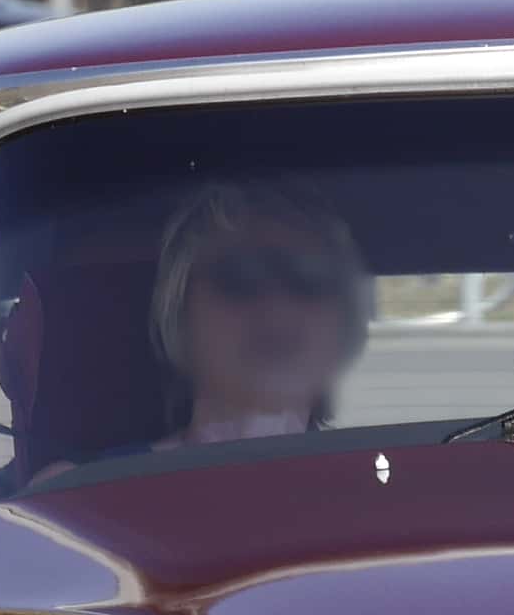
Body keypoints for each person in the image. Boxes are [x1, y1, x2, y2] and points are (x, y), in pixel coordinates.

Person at [148, 184, 374, 445]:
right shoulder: (110, 482)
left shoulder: (371, 477)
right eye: (240, 276)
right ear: (180, 310)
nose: (276, 306)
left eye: (309, 278)